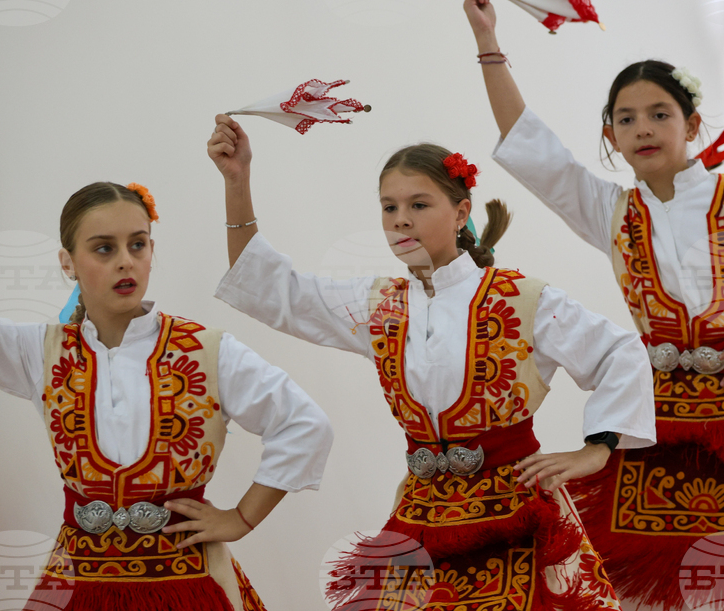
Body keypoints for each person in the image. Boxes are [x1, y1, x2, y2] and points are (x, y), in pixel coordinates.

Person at [463, 0, 724, 611]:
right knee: (657, 589)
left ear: (692, 123)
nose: (642, 128)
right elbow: (534, 151)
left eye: (659, 114)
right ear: (611, 136)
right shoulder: (610, 211)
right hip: (660, 424)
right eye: (626, 119)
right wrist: (488, 43)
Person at [207, 113, 657, 609]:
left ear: (461, 211)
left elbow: (620, 351)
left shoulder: (522, 299)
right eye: (389, 207)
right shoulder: (379, 306)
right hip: (424, 513)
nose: (401, 219)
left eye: (419, 205)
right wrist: (237, 181)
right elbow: (275, 290)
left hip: (517, 512)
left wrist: (598, 448)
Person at [0, 150, 334, 611]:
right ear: (67, 262)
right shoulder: (42, 353)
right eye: (104, 248)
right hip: (76, 581)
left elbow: (304, 423)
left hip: (186, 580)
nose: (126, 261)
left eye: (138, 244)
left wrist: (242, 517)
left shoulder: (205, 350)